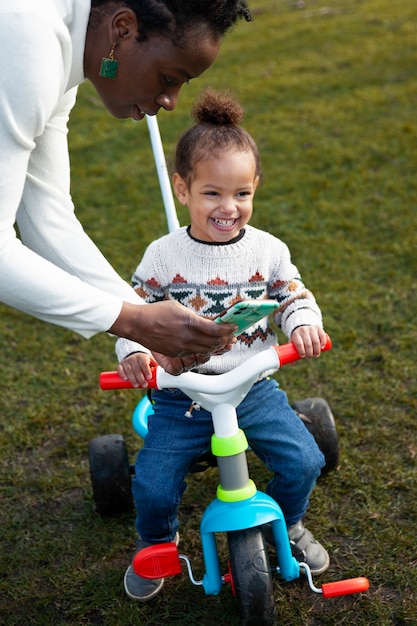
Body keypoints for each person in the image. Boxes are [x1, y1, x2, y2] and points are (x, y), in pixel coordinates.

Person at [116, 89, 331, 602]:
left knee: (304, 459)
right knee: (152, 482)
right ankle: (157, 543)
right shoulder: (164, 255)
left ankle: (286, 522)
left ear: (255, 188)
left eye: (242, 193)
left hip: (251, 387)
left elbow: (292, 296)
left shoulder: (268, 250)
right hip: (181, 396)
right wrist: (135, 351)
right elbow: (132, 309)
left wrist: (301, 321)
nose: (229, 207)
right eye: (212, 193)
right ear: (183, 189)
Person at [0, 1, 251, 373]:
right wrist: (130, 321)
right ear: (122, 29)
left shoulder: (63, 51)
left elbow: (47, 219)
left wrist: (143, 323)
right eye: (169, 78)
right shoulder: (27, 39)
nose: (171, 102)